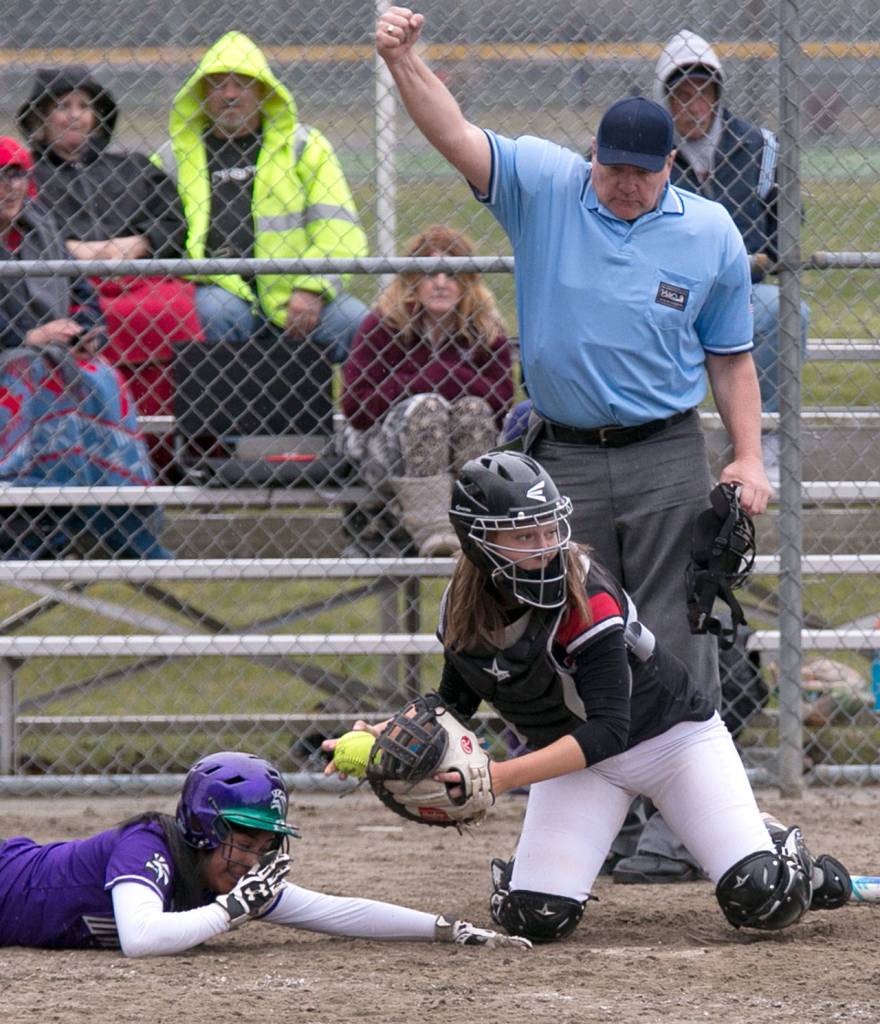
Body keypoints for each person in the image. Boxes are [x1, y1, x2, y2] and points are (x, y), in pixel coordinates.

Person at [375, 7, 770, 884]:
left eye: (641, 171)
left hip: (667, 449)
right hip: (565, 456)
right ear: (592, 155)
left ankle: (678, 818)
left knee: (675, 633)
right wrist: (405, 59)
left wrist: (748, 457)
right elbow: (454, 132)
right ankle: (601, 813)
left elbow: (732, 358)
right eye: (611, 167)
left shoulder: (708, 233)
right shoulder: (548, 186)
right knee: (562, 631)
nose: (623, 184)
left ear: (672, 163)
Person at [326, 452, 851, 942]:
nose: (546, 545)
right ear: (476, 543)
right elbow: (455, 704)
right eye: (524, 536)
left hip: (671, 743)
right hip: (577, 762)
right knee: (533, 918)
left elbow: (608, 729)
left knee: (761, 896)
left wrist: (500, 777)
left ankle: (786, 855)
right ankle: (536, 871)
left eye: (550, 528)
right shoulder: (461, 606)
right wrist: (389, 738)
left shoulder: (586, 593)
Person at [0, 749, 531, 955]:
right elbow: (141, 940)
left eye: (265, 845)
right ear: (206, 828)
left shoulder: (227, 879)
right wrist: (229, 912)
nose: (255, 860)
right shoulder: (148, 846)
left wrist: (445, 928)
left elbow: (333, 911)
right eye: (245, 842)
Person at [154, 31, 369, 363]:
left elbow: (338, 230)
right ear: (201, 93)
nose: (229, 95)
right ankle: (223, 413)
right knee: (216, 312)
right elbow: (153, 228)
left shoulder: (305, 147)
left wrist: (313, 287)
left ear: (263, 91)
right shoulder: (172, 157)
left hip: (294, 288)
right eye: (217, 85)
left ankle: (366, 412)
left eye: (241, 84)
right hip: (216, 287)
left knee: (358, 323)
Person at [654, 29, 811, 482]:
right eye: (681, 95)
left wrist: (755, 261)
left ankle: (764, 438)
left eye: (703, 93)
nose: (694, 105)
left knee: (786, 311)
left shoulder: (759, 147)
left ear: (718, 95)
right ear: (665, 100)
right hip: (669, 291)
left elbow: (785, 231)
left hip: (739, 289)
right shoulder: (649, 150)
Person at [16, 66, 203, 443]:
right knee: (92, 322)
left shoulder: (132, 167)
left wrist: (139, 243)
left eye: (83, 106)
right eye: (61, 106)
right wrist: (68, 249)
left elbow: (173, 220)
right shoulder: (25, 174)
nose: (74, 115)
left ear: (96, 115)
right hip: (67, 286)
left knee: (175, 310)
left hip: (139, 277)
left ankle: (178, 443)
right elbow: (17, 225)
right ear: (40, 117)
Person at [0, 136, 167, 559]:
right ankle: (38, 521)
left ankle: (123, 519)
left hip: (56, 353)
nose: (9, 186)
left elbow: (83, 293)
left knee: (103, 376)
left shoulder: (42, 224)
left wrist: (86, 333)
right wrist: (28, 338)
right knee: (35, 373)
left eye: (16, 174)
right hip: (16, 356)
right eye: (0, 177)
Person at [341, 224, 514, 556]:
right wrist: (428, 383)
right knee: (428, 407)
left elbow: (501, 401)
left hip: (463, 454)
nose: (440, 283)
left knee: (474, 410)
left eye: (451, 274)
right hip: (387, 458)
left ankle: (474, 525)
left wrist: (443, 374)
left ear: (467, 282)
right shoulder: (383, 325)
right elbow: (357, 407)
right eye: (429, 273)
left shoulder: (484, 329)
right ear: (412, 281)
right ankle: (434, 530)